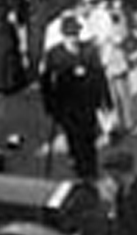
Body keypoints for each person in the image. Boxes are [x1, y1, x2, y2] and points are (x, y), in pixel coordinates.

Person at [40, 14, 111, 180]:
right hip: (67, 107)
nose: (73, 39)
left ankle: (91, 171)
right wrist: (50, 105)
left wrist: (105, 100)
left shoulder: (89, 51)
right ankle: (81, 171)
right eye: (69, 35)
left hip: (87, 104)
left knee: (89, 139)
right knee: (75, 140)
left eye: (75, 35)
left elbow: (99, 76)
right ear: (63, 36)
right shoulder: (54, 55)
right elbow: (46, 82)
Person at [85, 0, 134, 137]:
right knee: (110, 96)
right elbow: (92, 39)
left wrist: (120, 37)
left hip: (118, 56)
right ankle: (115, 124)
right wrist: (104, 40)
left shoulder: (116, 14)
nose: (104, 4)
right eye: (100, 2)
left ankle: (127, 122)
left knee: (123, 92)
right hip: (104, 59)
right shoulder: (92, 19)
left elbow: (124, 30)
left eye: (106, 0)